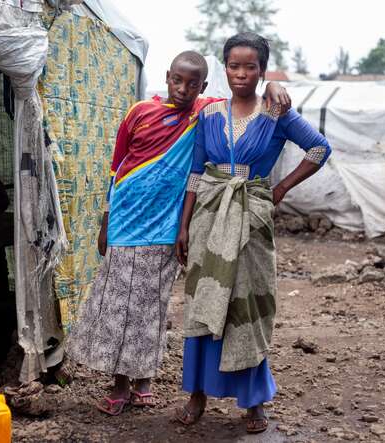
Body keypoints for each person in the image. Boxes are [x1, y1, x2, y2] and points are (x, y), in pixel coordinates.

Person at [65, 50, 290, 416]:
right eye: (176, 80)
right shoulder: (139, 112)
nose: (182, 89)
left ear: (202, 87)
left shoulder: (205, 114)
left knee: (151, 308)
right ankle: (119, 385)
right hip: (125, 221)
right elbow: (116, 166)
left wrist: (273, 83)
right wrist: (106, 222)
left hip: (167, 228)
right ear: (167, 76)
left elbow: (245, 95)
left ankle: (143, 383)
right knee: (118, 307)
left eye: (192, 84)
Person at [174, 32, 332, 434]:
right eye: (233, 66)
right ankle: (197, 394)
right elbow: (195, 171)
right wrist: (183, 225)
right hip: (208, 215)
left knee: (247, 304)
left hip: (251, 217)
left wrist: (280, 188)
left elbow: (318, 149)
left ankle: (253, 400)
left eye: (250, 67)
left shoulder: (276, 110)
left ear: (262, 70)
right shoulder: (209, 113)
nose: (240, 74)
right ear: (224, 67)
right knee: (204, 301)